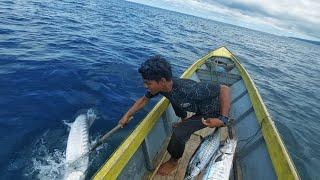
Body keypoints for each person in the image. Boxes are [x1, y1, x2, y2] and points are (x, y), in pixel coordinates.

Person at [118, 55, 231, 176]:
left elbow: (224, 89)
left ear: (162, 81)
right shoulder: (162, 88)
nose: (145, 86)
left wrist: (222, 119)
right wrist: (126, 115)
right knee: (175, 102)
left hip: (212, 112)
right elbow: (144, 100)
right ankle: (184, 119)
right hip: (195, 106)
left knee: (179, 132)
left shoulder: (190, 90)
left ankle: (174, 161)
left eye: (148, 83)